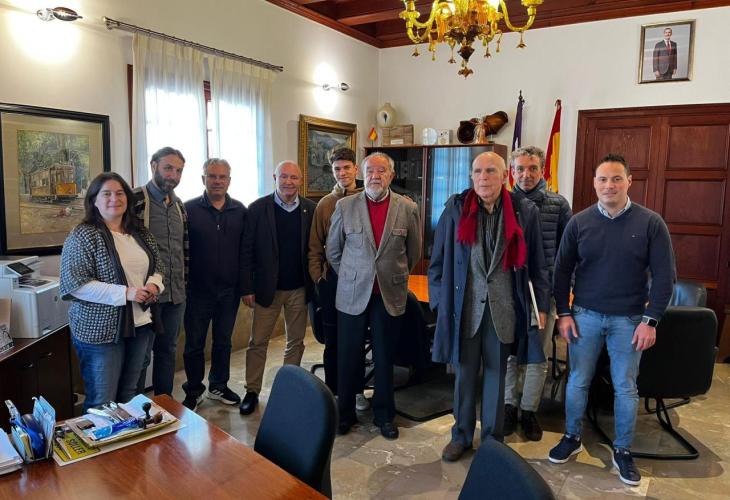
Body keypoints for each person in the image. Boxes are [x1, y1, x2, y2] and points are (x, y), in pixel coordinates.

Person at [548, 154, 675, 486]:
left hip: (630, 321)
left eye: (617, 178)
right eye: (603, 179)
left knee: (625, 387)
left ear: (629, 181)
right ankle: (572, 437)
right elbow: (561, 271)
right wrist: (563, 312)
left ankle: (622, 450)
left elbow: (665, 277)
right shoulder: (579, 223)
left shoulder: (651, 223)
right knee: (578, 381)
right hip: (584, 316)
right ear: (594, 183)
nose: (609, 185)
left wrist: (651, 320)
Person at [429, 152, 549, 462]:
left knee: (496, 377)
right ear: (471, 176)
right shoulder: (455, 209)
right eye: (478, 171)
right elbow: (437, 262)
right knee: (465, 376)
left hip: (503, 311)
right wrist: (440, 303)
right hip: (464, 310)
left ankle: (493, 441)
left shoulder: (524, 211)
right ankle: (461, 436)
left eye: (491, 171)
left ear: (505, 175)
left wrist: (541, 305)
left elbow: (538, 265)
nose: (484, 177)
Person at [326, 152, 421, 440]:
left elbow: (413, 252)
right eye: (370, 171)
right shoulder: (345, 206)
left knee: (384, 356)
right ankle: (345, 414)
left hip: (388, 295)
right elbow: (333, 250)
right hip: (353, 294)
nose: (375, 176)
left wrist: (392, 274)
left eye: (381, 171)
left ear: (391, 175)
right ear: (362, 174)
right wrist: (354, 275)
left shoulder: (407, 208)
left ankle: (384, 415)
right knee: (348, 357)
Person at [60, 172, 164, 412]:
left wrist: (153, 285)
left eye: (119, 193)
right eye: (106, 193)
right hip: (100, 331)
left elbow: (158, 266)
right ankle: (101, 438)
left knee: (130, 395)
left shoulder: (140, 232)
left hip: (140, 324)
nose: (114, 199)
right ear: (94, 200)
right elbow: (75, 284)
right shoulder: (83, 234)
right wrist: (125, 293)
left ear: (127, 198)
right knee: (102, 401)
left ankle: (127, 437)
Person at [503, 146, 572, 441]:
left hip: (544, 292)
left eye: (532, 168)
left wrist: (562, 289)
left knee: (536, 354)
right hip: (508, 291)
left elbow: (569, 252)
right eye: (519, 169)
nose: (525, 175)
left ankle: (529, 410)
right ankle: (508, 406)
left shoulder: (558, 204)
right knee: (509, 353)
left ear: (542, 170)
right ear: (512, 172)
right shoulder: (503, 201)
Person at [239, 161, 316, 415]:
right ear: (275, 178)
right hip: (266, 289)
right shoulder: (257, 208)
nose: (288, 182)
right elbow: (246, 251)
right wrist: (247, 287)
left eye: (294, 177)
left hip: (299, 288)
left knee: (295, 342)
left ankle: (287, 390)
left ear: (300, 180)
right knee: (258, 342)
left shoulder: (310, 209)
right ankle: (252, 390)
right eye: (284, 176)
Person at [307, 147, 371, 411]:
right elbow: (314, 247)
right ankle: (332, 392)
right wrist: (319, 279)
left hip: (362, 281)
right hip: (332, 281)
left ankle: (356, 391)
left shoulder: (368, 198)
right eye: (337, 169)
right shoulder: (325, 204)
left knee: (355, 340)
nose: (342, 173)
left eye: (346, 167)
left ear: (356, 168)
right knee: (333, 341)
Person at [181, 158, 247, 411]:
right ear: (203, 179)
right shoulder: (187, 210)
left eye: (222, 177)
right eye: (212, 176)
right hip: (197, 291)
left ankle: (218, 385)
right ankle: (193, 389)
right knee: (194, 344)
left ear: (229, 180)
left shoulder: (240, 210)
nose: (217, 181)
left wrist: (245, 286)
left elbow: (246, 251)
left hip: (229, 291)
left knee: (223, 342)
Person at [134, 146, 188, 397]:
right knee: (141, 356)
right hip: (146, 296)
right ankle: (135, 410)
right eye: (168, 168)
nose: (173, 176)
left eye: (178, 171)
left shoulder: (179, 206)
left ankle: (165, 404)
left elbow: (182, 250)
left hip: (175, 295)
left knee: (168, 352)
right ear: (153, 166)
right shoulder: (135, 200)